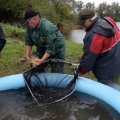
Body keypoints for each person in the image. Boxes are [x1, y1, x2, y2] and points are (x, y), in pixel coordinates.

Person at [76, 8, 120, 85]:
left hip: (105, 70)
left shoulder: (95, 35)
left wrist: (80, 71)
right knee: (114, 84)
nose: (82, 25)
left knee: (105, 91)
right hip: (117, 63)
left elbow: (89, 59)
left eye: (83, 23)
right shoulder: (109, 20)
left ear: (90, 20)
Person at [21, 8, 65, 72]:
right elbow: (28, 42)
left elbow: (50, 49)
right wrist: (27, 56)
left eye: (27, 22)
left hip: (57, 52)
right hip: (42, 50)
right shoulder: (29, 27)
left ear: (34, 19)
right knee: (35, 68)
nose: (26, 25)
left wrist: (43, 59)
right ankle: (41, 79)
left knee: (56, 73)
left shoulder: (47, 27)